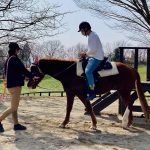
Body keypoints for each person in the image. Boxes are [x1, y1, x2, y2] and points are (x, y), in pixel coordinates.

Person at [0, 42, 36, 132]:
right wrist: (32, 76)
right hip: (15, 86)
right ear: (16, 50)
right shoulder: (14, 59)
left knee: (14, 106)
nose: (19, 51)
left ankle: (16, 124)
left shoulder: (8, 59)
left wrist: (23, 76)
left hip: (11, 86)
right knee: (14, 107)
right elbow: (23, 70)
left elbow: (15, 72)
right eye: (18, 50)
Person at [78, 21, 104, 101]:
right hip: (94, 55)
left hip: (97, 57)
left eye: (82, 31)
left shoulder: (92, 36)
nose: (81, 33)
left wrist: (85, 54)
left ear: (86, 29)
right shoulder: (92, 35)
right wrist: (85, 54)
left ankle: (92, 92)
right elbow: (91, 50)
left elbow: (93, 50)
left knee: (88, 71)